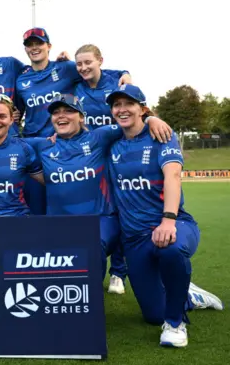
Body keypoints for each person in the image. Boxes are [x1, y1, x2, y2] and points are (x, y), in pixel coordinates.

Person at [106, 84, 224, 348]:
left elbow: (172, 175)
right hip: (135, 239)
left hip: (174, 223)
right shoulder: (111, 142)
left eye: (129, 104)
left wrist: (168, 220)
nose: (122, 109)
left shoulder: (161, 135)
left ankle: (175, 323)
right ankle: (188, 295)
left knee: (170, 249)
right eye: (117, 105)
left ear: (142, 109)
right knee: (152, 315)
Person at [26, 93, 172, 280]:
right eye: (56, 112)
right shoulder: (42, 145)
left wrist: (151, 119)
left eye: (69, 111)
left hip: (100, 220)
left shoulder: (99, 136)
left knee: (92, 244)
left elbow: (133, 123)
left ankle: (92, 299)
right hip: (59, 223)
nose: (61, 115)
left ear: (81, 117)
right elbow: (7, 141)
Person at [16, 28, 131, 215]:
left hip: (74, 146)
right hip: (40, 148)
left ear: (49, 46)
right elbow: (17, 111)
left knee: (83, 200)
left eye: (39, 43)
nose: (35, 48)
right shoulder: (21, 79)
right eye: (30, 45)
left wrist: (124, 74)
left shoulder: (66, 68)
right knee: (37, 206)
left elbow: (94, 69)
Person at [74, 44, 129, 294]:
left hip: (119, 157)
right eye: (79, 64)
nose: (84, 68)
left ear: (100, 61)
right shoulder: (75, 87)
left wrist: (125, 72)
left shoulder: (116, 85)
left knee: (122, 210)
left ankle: (118, 271)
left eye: (89, 62)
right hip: (92, 158)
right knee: (102, 210)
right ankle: (100, 265)